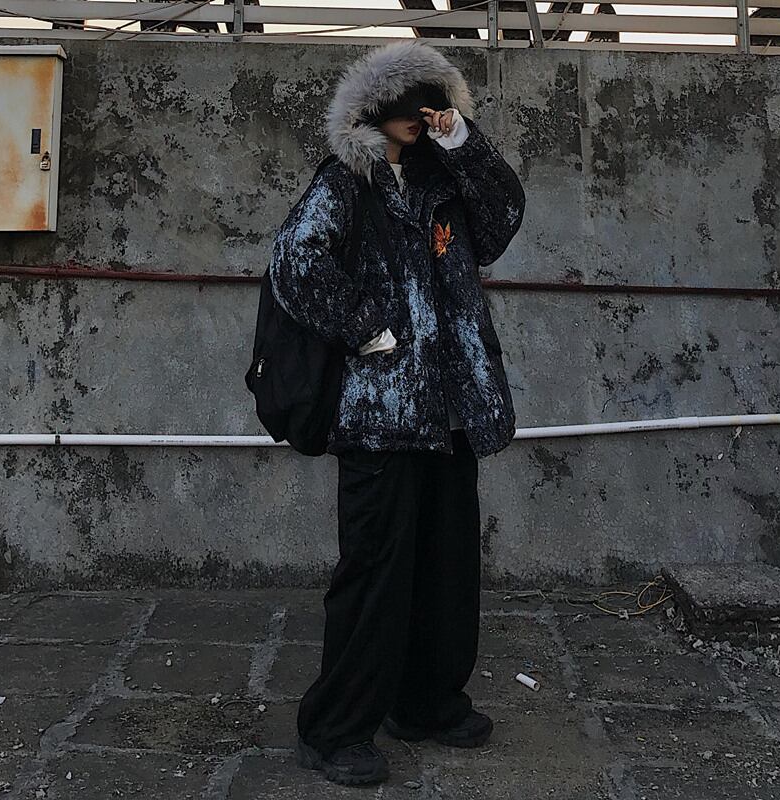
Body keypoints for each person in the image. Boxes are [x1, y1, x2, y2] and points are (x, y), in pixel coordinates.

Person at [269, 39, 526, 786]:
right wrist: (364, 328)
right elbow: (295, 262)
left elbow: (502, 223)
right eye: (410, 105)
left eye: (433, 103)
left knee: (447, 567)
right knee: (375, 572)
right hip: (380, 415)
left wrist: (463, 141)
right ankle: (334, 729)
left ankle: (426, 703)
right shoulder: (346, 181)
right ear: (374, 109)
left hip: (451, 411)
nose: (423, 116)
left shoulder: (446, 180)